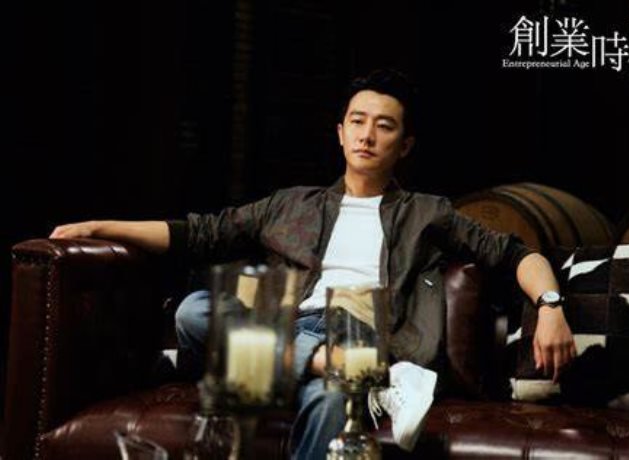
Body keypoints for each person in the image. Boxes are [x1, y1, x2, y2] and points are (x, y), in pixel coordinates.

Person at [50, 69, 576, 458]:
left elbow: (516, 253)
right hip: (283, 329)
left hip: (360, 329)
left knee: (328, 399)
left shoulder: (427, 212)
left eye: (384, 127)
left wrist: (550, 305)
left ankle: (343, 367)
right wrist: (102, 226)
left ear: (405, 145)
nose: (367, 136)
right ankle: (353, 371)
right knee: (194, 311)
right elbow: (201, 233)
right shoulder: (289, 205)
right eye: (357, 122)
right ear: (340, 132)